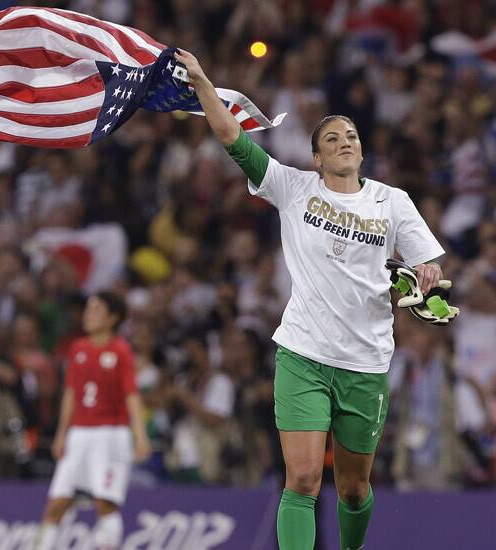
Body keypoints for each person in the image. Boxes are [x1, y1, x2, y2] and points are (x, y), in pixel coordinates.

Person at [172, 49, 449, 550]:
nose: (345, 143)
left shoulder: (392, 201)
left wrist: (426, 276)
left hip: (365, 361)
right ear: (316, 158)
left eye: (351, 137)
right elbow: (233, 138)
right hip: (303, 354)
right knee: (301, 480)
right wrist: (202, 85)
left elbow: (428, 268)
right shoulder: (293, 187)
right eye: (332, 140)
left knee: (354, 488)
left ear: (361, 151)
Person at [34, 291, 150, 550]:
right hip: (79, 434)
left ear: (113, 318)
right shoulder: (78, 349)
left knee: (104, 503)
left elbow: (132, 395)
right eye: (88, 309)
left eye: (96, 310)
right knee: (57, 504)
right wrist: (62, 434)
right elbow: (71, 394)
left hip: (111, 434)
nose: (88, 315)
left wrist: (140, 436)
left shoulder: (120, 351)